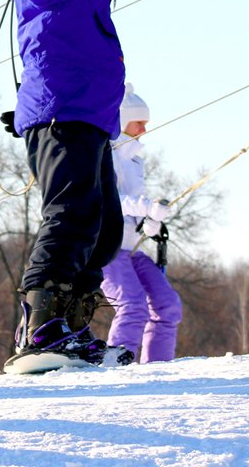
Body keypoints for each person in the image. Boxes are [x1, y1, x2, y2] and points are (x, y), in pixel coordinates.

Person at [1, 0, 128, 373]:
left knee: (105, 229)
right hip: (63, 112)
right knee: (71, 213)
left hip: (92, 117)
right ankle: (39, 328)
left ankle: (71, 328)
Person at [101, 84, 181, 363]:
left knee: (167, 305)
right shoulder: (103, 154)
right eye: (139, 123)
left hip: (133, 247)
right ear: (122, 121)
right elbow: (110, 200)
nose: (144, 130)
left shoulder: (134, 160)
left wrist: (149, 222)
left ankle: (158, 367)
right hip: (108, 248)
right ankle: (117, 362)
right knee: (133, 305)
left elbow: (133, 205)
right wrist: (145, 206)